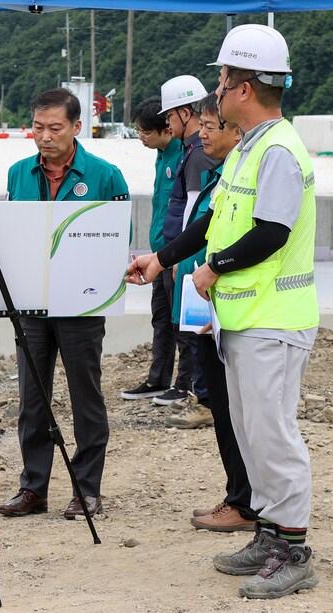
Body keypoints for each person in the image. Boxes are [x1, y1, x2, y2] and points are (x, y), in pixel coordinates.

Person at [127, 24, 320, 600]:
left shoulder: (279, 150)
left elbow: (272, 233)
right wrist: (162, 260)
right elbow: (215, 220)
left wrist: (213, 270)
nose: (216, 86)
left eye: (222, 77)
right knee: (251, 433)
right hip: (244, 319)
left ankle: (294, 548)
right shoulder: (252, 146)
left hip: (274, 319)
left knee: (273, 436)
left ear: (241, 86)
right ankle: (268, 533)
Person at [0, 88, 130, 521]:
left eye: (55, 128)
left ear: (76, 127)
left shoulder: (105, 175)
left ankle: (86, 488)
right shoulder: (19, 174)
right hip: (31, 305)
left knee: (84, 395)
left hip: (82, 307)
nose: (45, 137)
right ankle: (33, 488)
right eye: (37, 127)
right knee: (32, 399)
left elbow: (116, 238)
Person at [169, 95, 257, 536]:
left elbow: (252, 239)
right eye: (201, 124)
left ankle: (246, 502)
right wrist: (161, 259)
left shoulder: (243, 175)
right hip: (207, 302)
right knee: (222, 409)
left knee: (236, 412)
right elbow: (200, 229)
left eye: (211, 125)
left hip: (233, 309)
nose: (202, 133)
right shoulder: (218, 174)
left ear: (236, 130)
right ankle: (238, 496)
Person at [157, 74, 220, 408]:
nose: (168, 123)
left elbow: (195, 210)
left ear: (185, 112)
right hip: (184, 252)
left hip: (190, 255)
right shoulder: (192, 150)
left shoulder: (198, 154)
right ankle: (196, 390)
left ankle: (199, 394)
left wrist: (179, 255)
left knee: (193, 328)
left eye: (169, 116)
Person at [119, 97, 184, 403]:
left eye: (145, 131)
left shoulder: (183, 155)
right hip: (160, 252)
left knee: (179, 321)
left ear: (166, 129)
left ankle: (186, 384)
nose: (140, 136)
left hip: (176, 255)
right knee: (161, 318)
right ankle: (158, 379)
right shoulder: (161, 156)